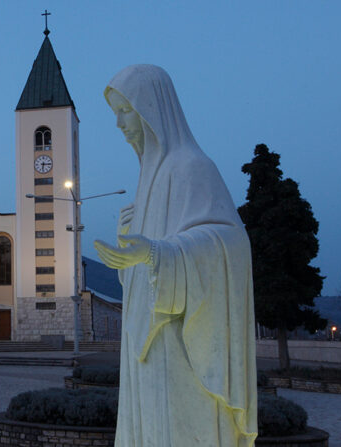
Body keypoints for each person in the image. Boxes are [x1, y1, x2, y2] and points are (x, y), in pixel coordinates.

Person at [95, 65, 257, 447]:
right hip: (145, 348)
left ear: (151, 109)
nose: (118, 123)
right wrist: (131, 252)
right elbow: (143, 276)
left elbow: (229, 244)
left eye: (125, 110)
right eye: (115, 112)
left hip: (179, 347)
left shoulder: (192, 168)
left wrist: (156, 253)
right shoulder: (148, 177)